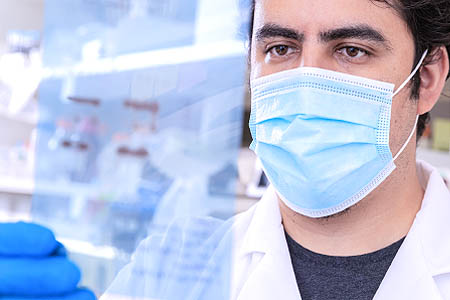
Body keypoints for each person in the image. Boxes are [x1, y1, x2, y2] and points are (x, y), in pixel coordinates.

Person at [1, 0, 450, 299]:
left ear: (426, 79)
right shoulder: (174, 267)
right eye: (280, 47)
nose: (305, 81)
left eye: (351, 50)